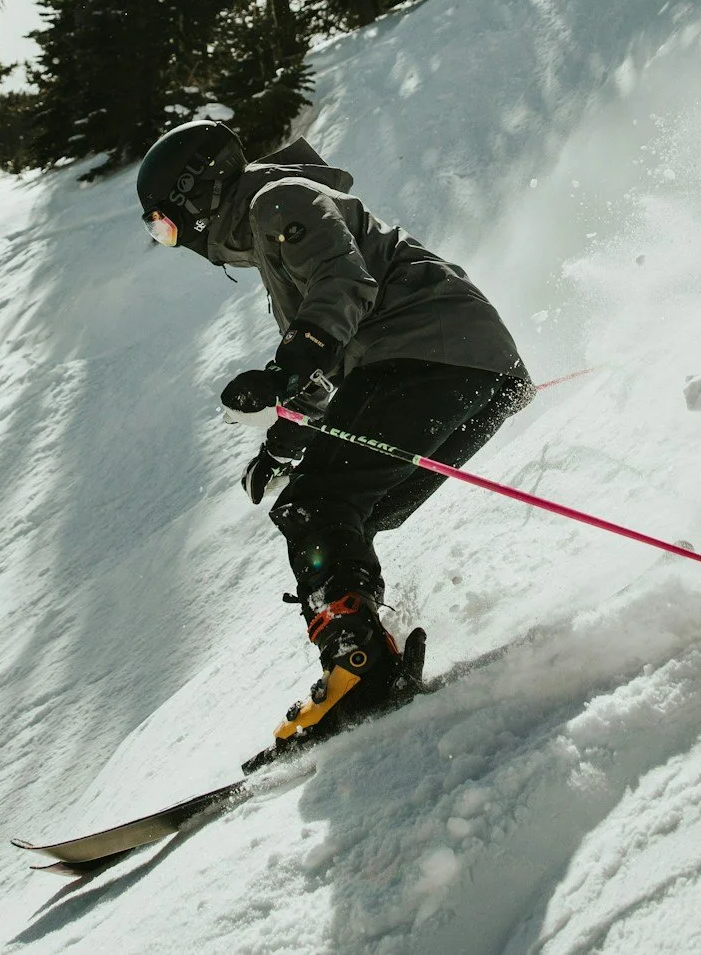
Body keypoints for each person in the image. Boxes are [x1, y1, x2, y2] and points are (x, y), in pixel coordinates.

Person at [137, 119, 530, 767]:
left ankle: (362, 671)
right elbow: (330, 356)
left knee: (314, 509)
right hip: (474, 371)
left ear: (198, 195)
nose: (172, 242)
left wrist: (281, 373)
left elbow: (345, 288)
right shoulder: (275, 231)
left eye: (165, 226)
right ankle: (369, 650)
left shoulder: (277, 201)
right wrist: (286, 438)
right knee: (347, 514)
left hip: (436, 354)